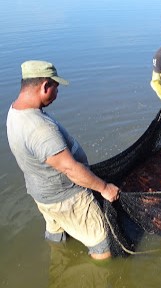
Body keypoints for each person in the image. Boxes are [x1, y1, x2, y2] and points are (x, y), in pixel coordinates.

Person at [6, 60, 120, 260]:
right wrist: (104, 188)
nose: (57, 94)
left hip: (42, 195)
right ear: (45, 86)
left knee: (56, 233)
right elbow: (70, 169)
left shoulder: (15, 112)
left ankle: (59, 262)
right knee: (102, 242)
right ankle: (100, 277)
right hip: (68, 198)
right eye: (55, 88)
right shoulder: (40, 129)